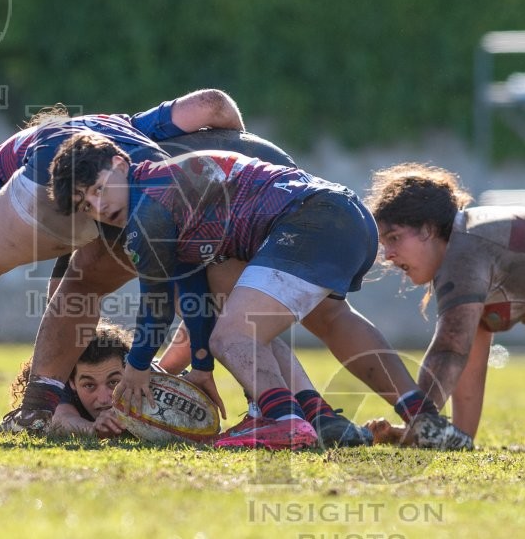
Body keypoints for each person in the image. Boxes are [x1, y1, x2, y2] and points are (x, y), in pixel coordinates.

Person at [46, 135, 474, 450]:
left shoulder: (149, 210)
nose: (98, 207)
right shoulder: (162, 190)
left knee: (233, 335)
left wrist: (138, 364)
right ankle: (424, 420)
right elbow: (193, 287)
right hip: (345, 217)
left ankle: (280, 418)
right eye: (85, 204)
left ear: (121, 164)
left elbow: (157, 299)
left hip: (307, 221)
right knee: (328, 319)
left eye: (99, 189)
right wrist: (200, 366)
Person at [0, 89, 273, 438]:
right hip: (145, 195)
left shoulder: (25, 143)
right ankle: (271, 406)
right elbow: (212, 103)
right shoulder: (129, 125)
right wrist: (234, 147)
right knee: (191, 293)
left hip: (49, 175)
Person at [363, 163, 525, 446]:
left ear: (428, 229)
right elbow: (466, 355)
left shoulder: (463, 250)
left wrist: (417, 425)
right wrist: (458, 438)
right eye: (384, 243)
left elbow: (449, 347)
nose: (388, 255)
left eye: (394, 238)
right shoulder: (468, 256)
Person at [10, 320, 131, 439]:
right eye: (89, 385)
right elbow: (61, 418)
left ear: (128, 374)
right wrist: (94, 429)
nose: (103, 399)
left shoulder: (142, 378)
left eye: (113, 383)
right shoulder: (60, 381)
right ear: (72, 382)